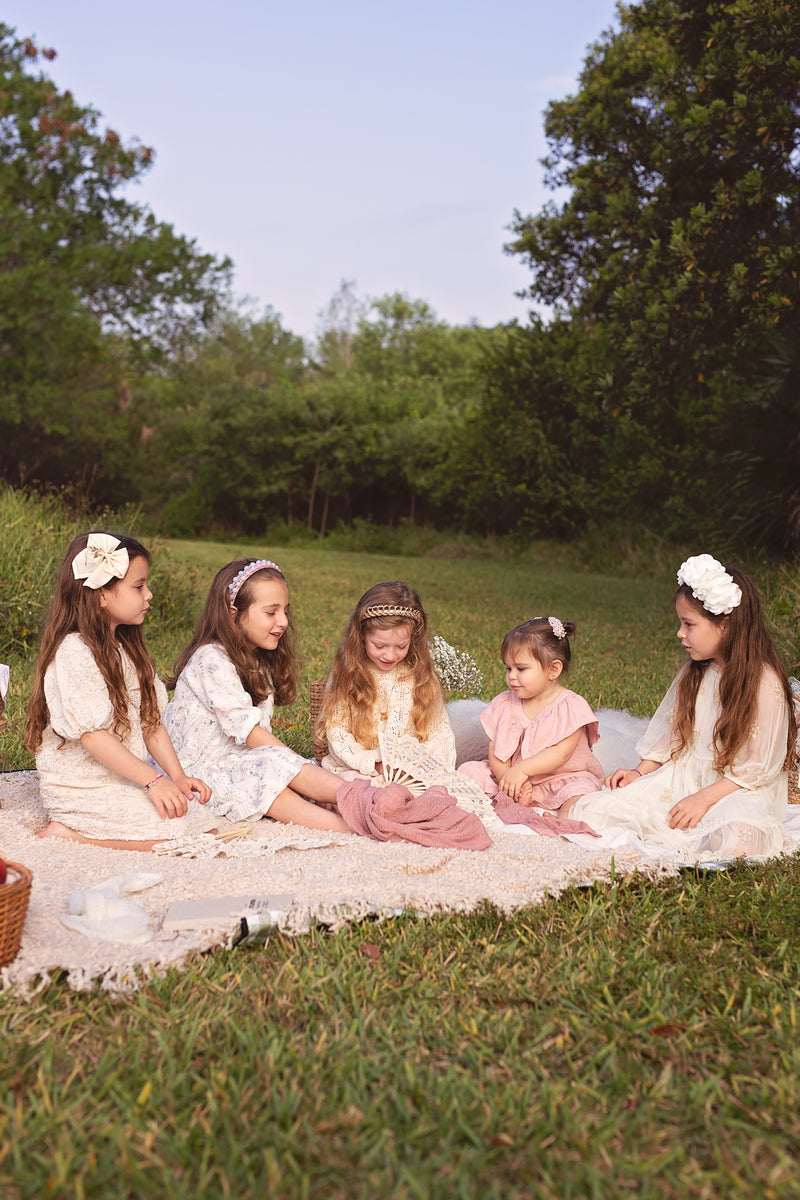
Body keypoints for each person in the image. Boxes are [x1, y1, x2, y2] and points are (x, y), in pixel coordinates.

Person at [563, 555, 798, 862]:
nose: (680, 633)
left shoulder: (764, 682)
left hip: (737, 788)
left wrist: (704, 799)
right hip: (684, 777)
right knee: (590, 811)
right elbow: (674, 735)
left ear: (725, 625)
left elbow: (759, 766)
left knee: (738, 842)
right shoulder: (696, 671)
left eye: (689, 624)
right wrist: (639, 772)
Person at [24, 532, 213, 850]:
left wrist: (176, 777)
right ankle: (71, 833)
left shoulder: (129, 651)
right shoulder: (74, 652)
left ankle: (116, 819)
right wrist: (153, 781)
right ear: (101, 595)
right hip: (84, 785)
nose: (149, 594)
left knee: (198, 819)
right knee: (178, 835)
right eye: (139, 587)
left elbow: (151, 724)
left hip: (125, 776)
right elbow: (92, 737)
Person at [164, 559, 349, 832]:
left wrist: (303, 776)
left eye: (285, 611)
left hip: (242, 762)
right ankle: (355, 823)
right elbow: (253, 735)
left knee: (296, 773)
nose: (283, 622)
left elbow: (264, 745)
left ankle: (363, 803)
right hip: (197, 773)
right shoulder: (210, 659)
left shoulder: (259, 664)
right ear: (233, 614)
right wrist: (295, 770)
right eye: (271, 612)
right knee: (272, 776)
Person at [318, 581, 493, 819]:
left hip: (410, 776)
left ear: (414, 638)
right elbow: (337, 734)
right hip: (358, 769)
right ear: (361, 636)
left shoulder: (421, 678)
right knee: (354, 792)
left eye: (401, 646)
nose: (390, 655)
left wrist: (421, 773)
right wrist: (373, 763)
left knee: (428, 800)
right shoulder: (348, 674)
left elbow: (438, 736)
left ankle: (397, 811)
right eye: (379, 645)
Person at [458, 616, 604, 810]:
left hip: (561, 779)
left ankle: (562, 821)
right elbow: (496, 750)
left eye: (521, 668)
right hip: (515, 778)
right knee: (468, 772)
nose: (512, 676)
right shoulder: (505, 704)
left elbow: (561, 753)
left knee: (582, 791)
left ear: (553, 669)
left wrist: (523, 769)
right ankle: (512, 802)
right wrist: (509, 782)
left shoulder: (570, 707)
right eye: (508, 668)